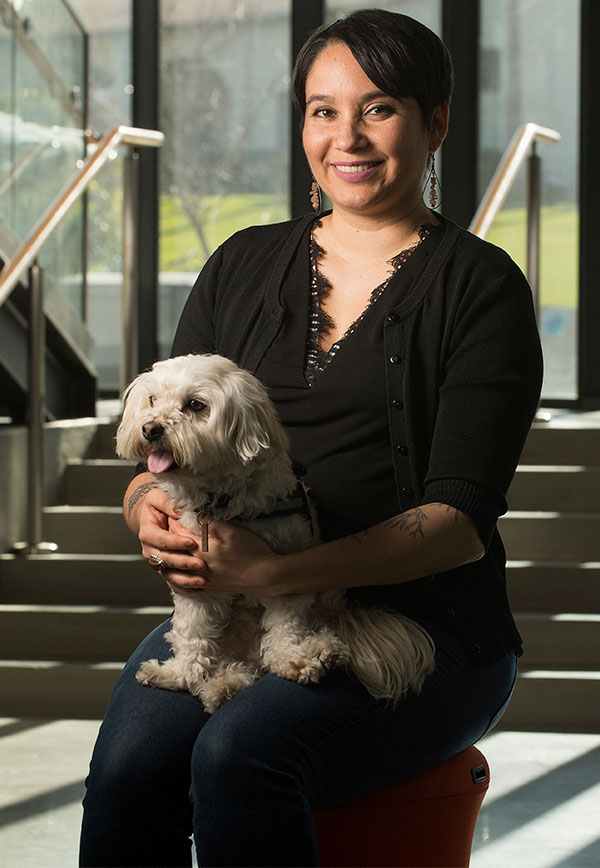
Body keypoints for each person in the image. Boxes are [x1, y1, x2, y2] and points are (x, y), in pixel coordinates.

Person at [79, 9, 543, 867]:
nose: (347, 137)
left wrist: (280, 570)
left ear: (435, 122)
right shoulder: (240, 264)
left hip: (423, 629)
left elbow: (460, 520)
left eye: (379, 108)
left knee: (240, 754)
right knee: (127, 768)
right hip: (243, 612)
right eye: (322, 110)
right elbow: (156, 454)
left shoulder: (483, 288)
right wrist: (145, 506)